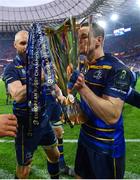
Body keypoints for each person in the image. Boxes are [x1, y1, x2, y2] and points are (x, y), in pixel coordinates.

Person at [71, 22, 132, 179]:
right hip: (85, 140)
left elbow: (112, 115)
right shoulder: (84, 67)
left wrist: (82, 88)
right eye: (78, 38)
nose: (80, 41)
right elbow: (83, 110)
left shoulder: (118, 69)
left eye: (84, 36)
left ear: (99, 40)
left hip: (106, 148)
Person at [3, 30, 60, 179]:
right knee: (24, 171)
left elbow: (52, 84)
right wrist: (38, 78)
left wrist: (60, 94)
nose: (27, 46)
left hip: (42, 119)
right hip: (24, 125)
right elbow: (16, 95)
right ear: (15, 45)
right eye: (22, 43)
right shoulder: (11, 68)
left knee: (55, 155)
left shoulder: (40, 63)